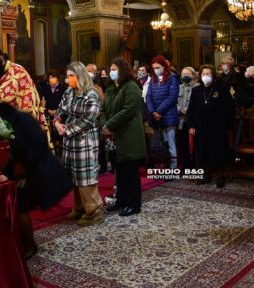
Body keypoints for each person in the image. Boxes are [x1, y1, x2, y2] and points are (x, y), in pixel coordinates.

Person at [0, 102, 71, 260]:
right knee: (19, 207)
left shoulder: (21, 121)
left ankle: (29, 246)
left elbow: (37, 144)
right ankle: (25, 243)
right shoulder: (17, 120)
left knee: (21, 208)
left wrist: (23, 166)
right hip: (26, 168)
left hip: (34, 168)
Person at [54, 61, 103, 226]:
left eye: (71, 76)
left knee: (85, 176)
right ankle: (79, 207)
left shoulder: (91, 94)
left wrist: (66, 129)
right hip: (70, 141)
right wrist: (57, 122)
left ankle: (94, 211)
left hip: (84, 141)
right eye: (67, 76)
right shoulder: (69, 91)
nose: (68, 79)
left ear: (80, 75)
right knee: (74, 176)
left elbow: (88, 119)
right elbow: (61, 109)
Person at [101, 57, 146, 216]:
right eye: (110, 70)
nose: (111, 72)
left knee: (130, 172)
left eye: (115, 69)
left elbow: (128, 111)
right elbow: (103, 109)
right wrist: (105, 125)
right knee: (119, 172)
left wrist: (109, 125)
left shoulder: (131, 86)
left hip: (128, 135)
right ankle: (121, 200)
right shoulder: (111, 88)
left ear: (123, 70)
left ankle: (134, 204)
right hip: (115, 136)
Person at [187, 64, 235, 187]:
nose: (206, 76)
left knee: (218, 151)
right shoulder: (196, 90)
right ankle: (204, 175)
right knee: (202, 151)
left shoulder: (221, 89)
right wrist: (191, 126)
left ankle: (219, 176)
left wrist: (227, 127)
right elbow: (190, 110)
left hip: (218, 127)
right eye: (203, 74)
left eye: (208, 74)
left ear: (213, 75)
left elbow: (230, 109)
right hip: (200, 126)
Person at [146, 55, 180, 169]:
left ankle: (173, 167)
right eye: (154, 68)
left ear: (164, 66)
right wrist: (153, 112)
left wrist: (158, 111)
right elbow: (148, 97)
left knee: (170, 143)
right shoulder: (153, 79)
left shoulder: (172, 78)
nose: (156, 70)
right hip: (155, 116)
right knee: (159, 143)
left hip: (168, 115)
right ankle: (162, 164)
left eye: (158, 67)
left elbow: (172, 97)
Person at [38, 70, 66, 156]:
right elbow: (40, 102)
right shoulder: (45, 89)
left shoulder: (63, 88)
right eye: (50, 78)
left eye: (54, 77)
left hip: (60, 116)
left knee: (59, 136)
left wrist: (57, 111)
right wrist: (48, 110)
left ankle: (60, 150)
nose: (52, 79)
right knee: (50, 136)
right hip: (48, 115)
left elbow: (65, 103)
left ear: (57, 78)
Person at [177, 67, 198, 169]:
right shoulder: (178, 88)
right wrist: (180, 109)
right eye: (183, 74)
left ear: (193, 75)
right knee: (183, 144)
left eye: (188, 74)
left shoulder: (198, 87)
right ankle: (186, 166)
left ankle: (195, 166)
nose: (185, 76)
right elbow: (173, 102)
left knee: (195, 145)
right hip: (181, 121)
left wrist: (188, 110)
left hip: (194, 121)